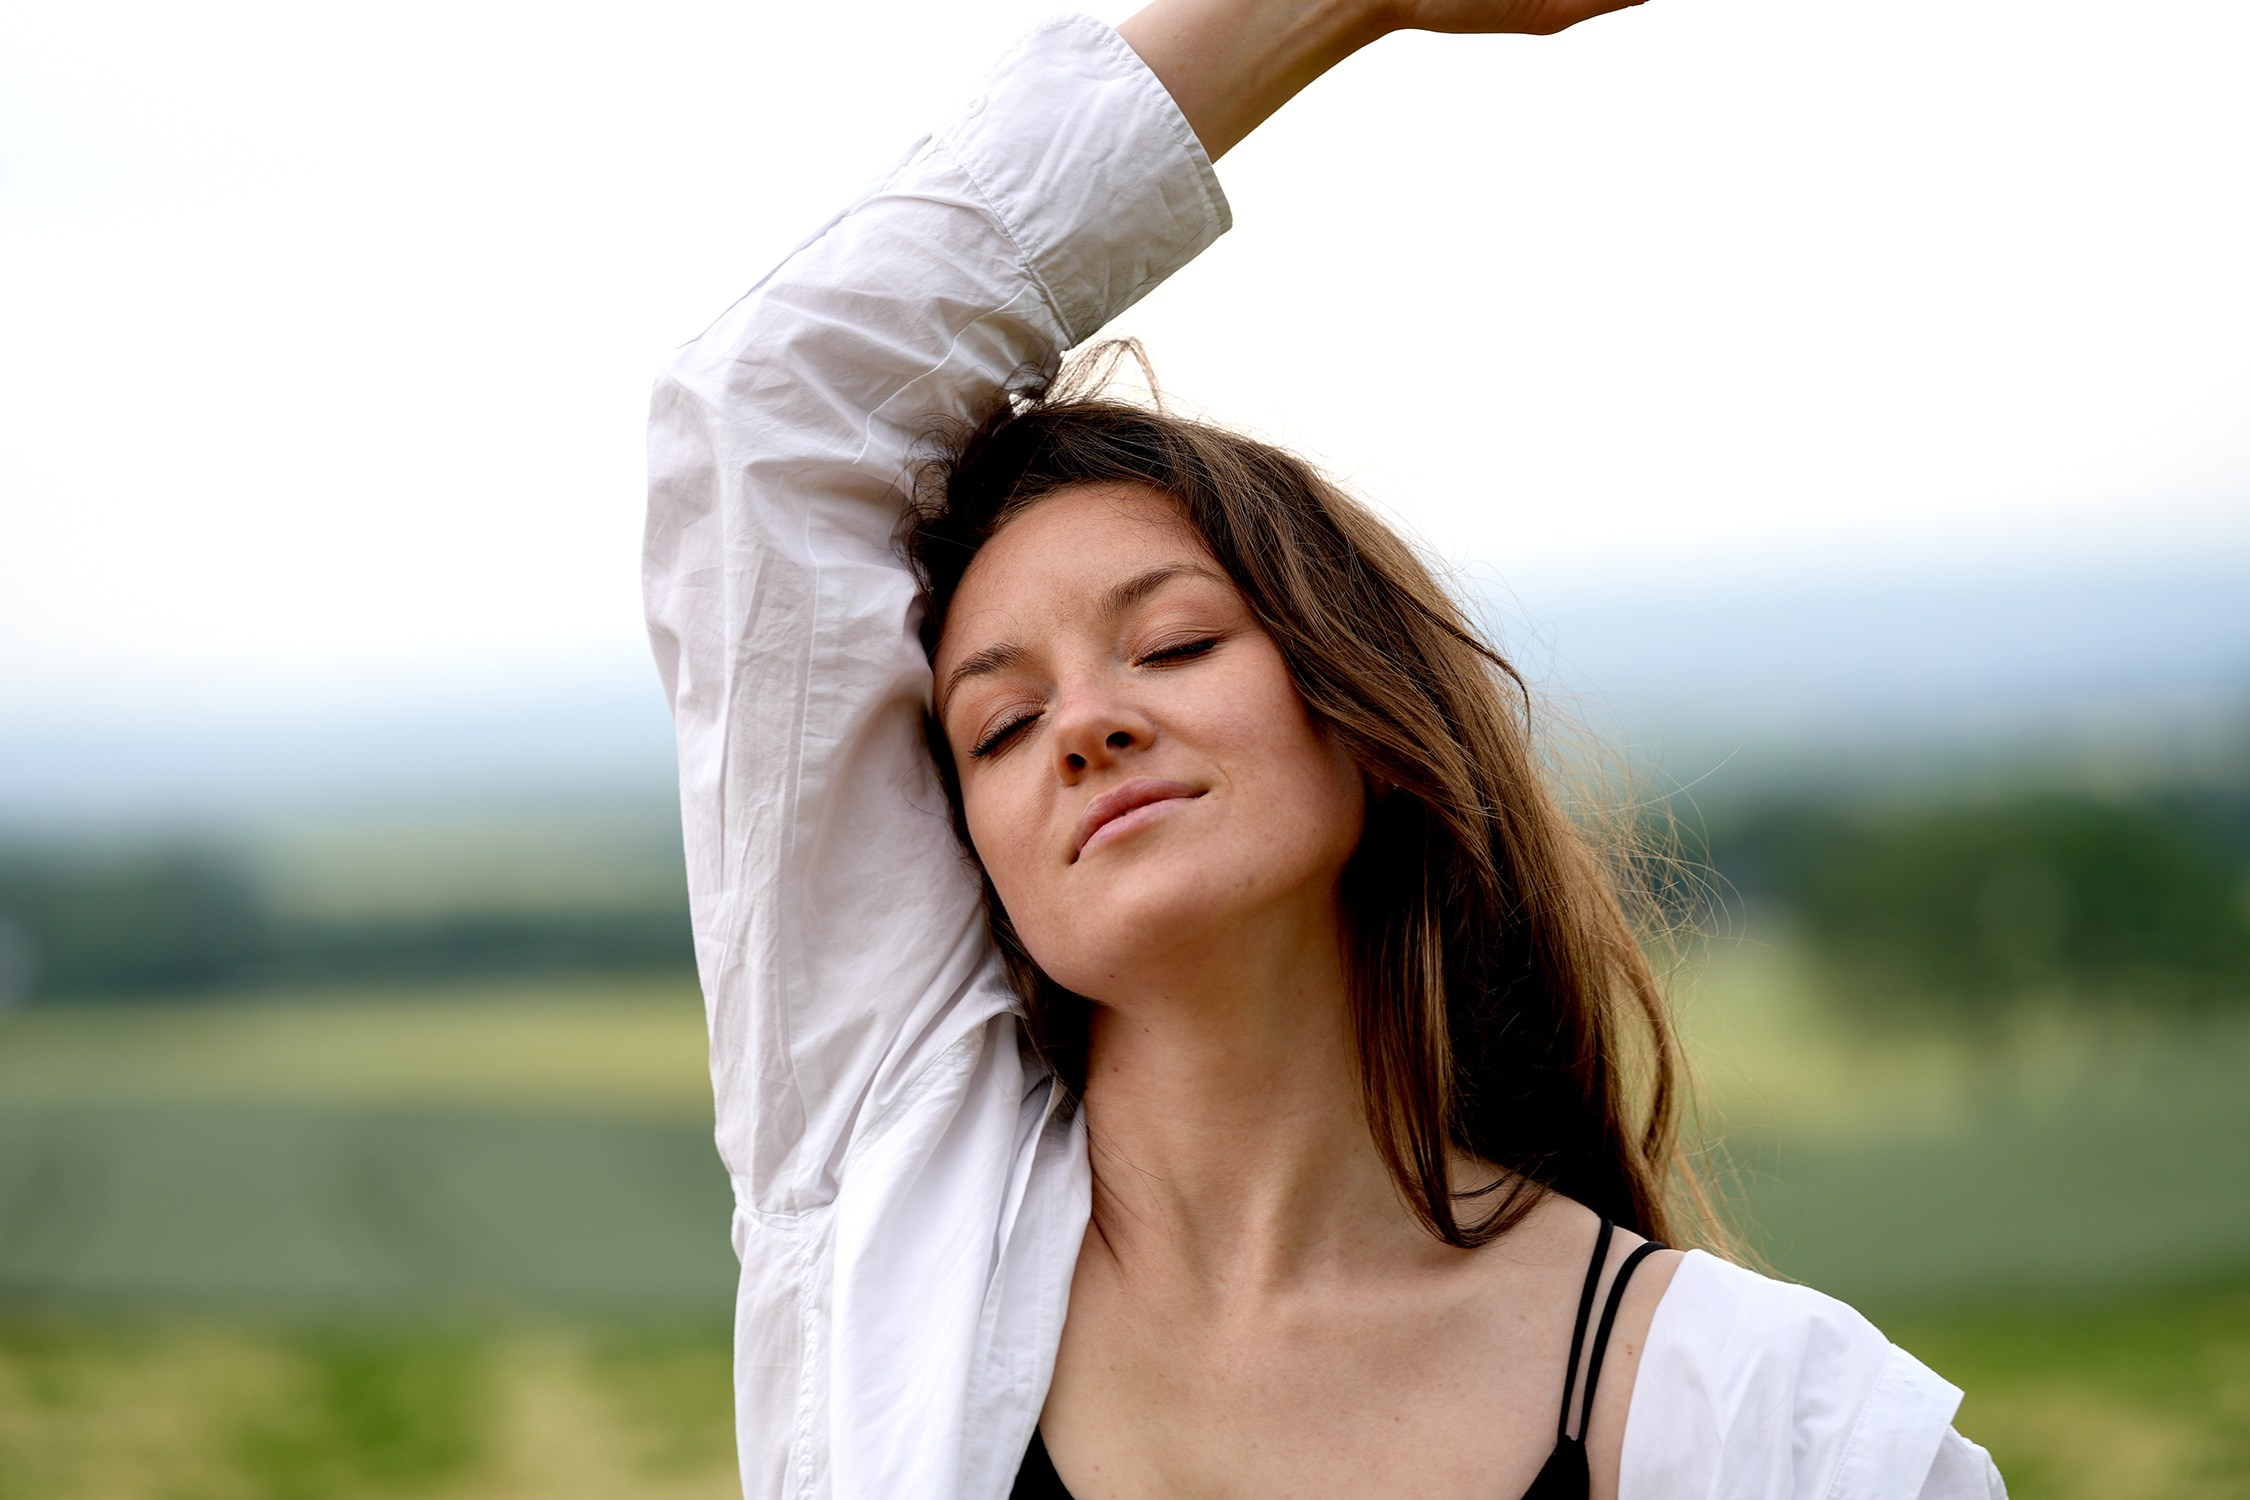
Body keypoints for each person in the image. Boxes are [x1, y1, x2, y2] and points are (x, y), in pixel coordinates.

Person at [642, 1, 2010, 1496]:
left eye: (1170, 644)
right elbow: (763, 417)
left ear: (1361, 717)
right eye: (1001, 725)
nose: (1088, 725)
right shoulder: (887, 1205)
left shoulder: (1782, 1424)